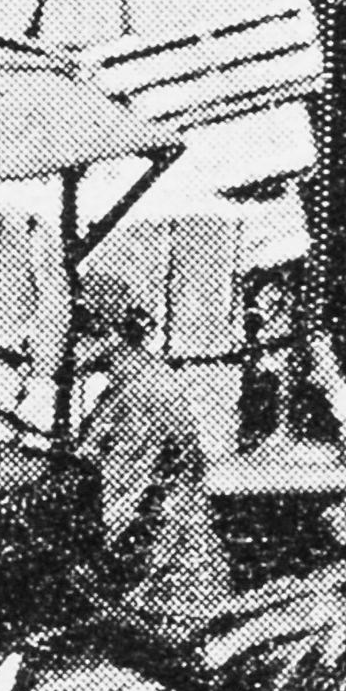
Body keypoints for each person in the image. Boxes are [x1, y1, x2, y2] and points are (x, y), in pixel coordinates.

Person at [62, 275, 228, 664]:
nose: (70, 347)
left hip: (161, 595)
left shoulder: (140, 394)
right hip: (169, 571)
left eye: (78, 333)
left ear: (107, 333)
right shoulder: (140, 380)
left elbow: (120, 507)